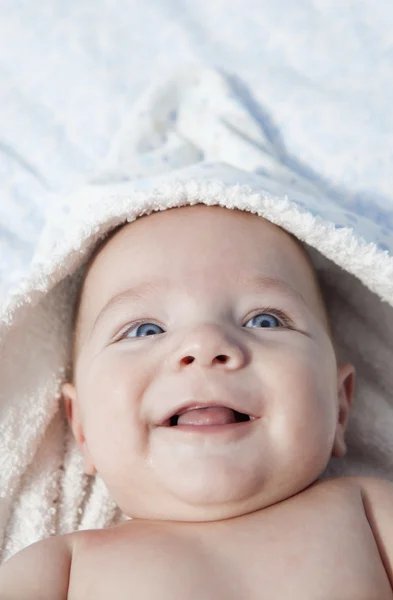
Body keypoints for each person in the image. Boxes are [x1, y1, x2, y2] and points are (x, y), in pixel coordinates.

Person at [1, 198, 393, 599]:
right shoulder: (60, 568)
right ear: (81, 425)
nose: (205, 343)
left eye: (265, 320)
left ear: (340, 405)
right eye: (144, 330)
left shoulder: (369, 514)